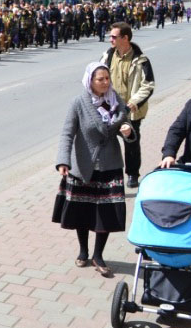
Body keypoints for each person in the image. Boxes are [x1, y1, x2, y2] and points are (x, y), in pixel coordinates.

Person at [54, 62, 135, 277]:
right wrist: (63, 161)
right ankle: (83, 251)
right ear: (90, 80)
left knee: (106, 212)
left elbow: (126, 128)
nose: (105, 83)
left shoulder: (116, 101)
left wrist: (127, 132)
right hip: (83, 164)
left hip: (110, 164)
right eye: (100, 79)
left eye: (107, 79)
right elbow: (67, 134)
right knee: (82, 210)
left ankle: (99, 255)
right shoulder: (78, 103)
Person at [100, 22, 155, 188]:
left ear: (125, 38)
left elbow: (148, 85)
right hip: (109, 109)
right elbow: (97, 76)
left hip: (130, 111)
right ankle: (106, 174)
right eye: (110, 36)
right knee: (104, 141)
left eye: (114, 37)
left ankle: (132, 174)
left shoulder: (141, 60)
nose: (110, 39)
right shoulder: (107, 56)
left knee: (131, 143)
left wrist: (133, 103)